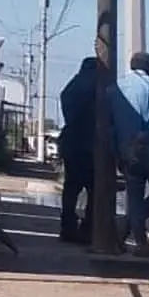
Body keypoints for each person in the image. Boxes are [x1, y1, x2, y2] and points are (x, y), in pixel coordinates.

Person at [109, 51, 149, 255]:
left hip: (125, 151)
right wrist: (143, 136)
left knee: (134, 195)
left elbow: (109, 123)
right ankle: (129, 227)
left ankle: (135, 237)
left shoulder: (115, 88)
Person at [57, 57, 99, 244]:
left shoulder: (71, 87)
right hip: (89, 144)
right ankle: (88, 228)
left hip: (71, 142)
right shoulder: (96, 90)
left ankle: (68, 226)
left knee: (71, 188)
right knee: (94, 189)